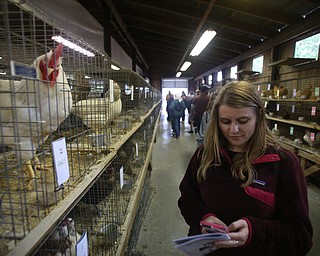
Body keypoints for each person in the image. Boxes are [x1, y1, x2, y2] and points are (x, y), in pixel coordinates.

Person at [178, 81, 313, 255]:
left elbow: (300, 236)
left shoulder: (283, 163)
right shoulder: (204, 155)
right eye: (225, 121)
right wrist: (203, 218)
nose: (233, 130)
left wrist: (254, 232)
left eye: (243, 121)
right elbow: (188, 198)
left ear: (258, 117)